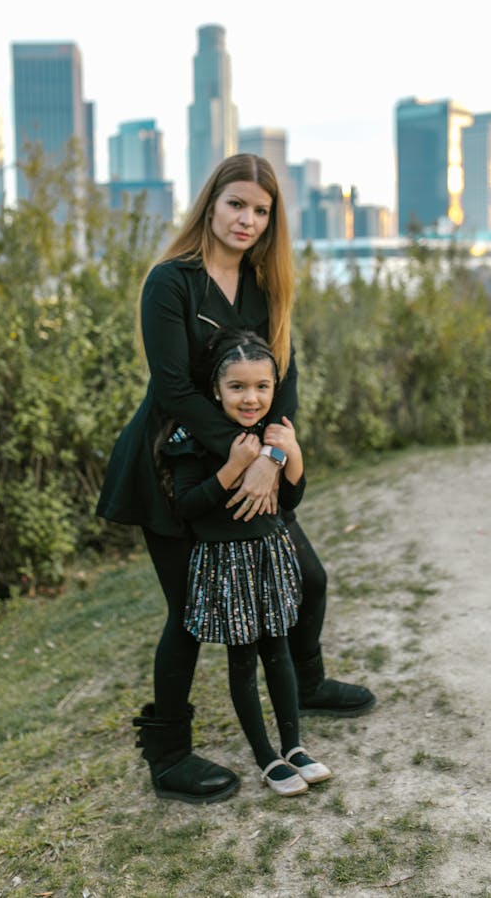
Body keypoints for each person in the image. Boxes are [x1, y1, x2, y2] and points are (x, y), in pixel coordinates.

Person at [96, 153, 374, 804]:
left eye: (261, 210)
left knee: (306, 577)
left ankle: (303, 683)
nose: (247, 219)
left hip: (255, 462)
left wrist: (274, 458)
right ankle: (168, 755)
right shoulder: (171, 282)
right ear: (211, 204)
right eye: (236, 204)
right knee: (189, 617)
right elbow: (171, 389)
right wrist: (245, 456)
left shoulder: (265, 289)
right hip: (171, 467)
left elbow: (286, 386)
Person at [160, 329, 331, 796]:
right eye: (237, 387)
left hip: (268, 556)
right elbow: (188, 507)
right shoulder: (193, 437)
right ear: (216, 389)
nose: (250, 398)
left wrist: (290, 455)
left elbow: (291, 497)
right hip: (227, 563)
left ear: (274, 389)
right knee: (244, 661)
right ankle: (266, 757)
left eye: (262, 386)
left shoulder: (272, 432)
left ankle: (294, 746)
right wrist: (233, 468)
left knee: (279, 650)